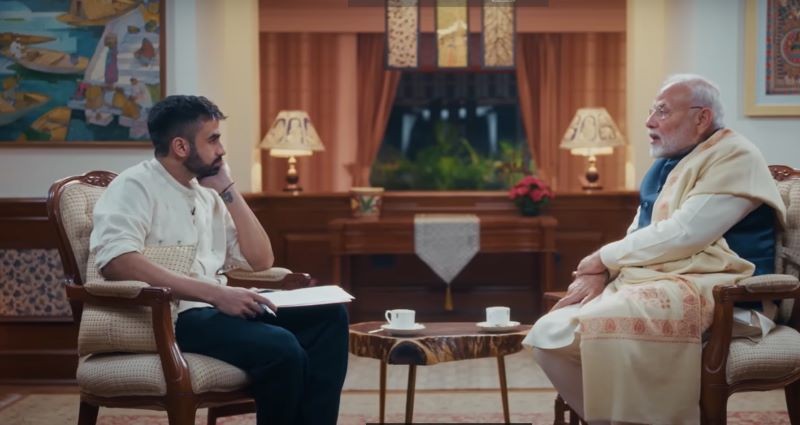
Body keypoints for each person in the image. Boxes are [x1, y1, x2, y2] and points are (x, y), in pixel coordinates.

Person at [524, 74, 787, 425]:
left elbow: (685, 234)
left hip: (728, 293)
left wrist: (601, 258)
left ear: (702, 117)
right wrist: (604, 271)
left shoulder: (735, 156)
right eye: (651, 111)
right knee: (549, 335)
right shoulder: (668, 162)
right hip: (659, 279)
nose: (649, 121)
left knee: (609, 319)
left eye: (662, 111)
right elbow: (640, 233)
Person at [89, 95, 349, 425]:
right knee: (282, 347)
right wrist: (217, 294)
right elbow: (117, 261)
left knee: (330, 317)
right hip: (171, 316)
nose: (221, 149)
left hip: (215, 310)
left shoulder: (207, 192)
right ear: (181, 147)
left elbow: (261, 260)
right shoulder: (134, 186)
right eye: (213, 139)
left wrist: (228, 189)